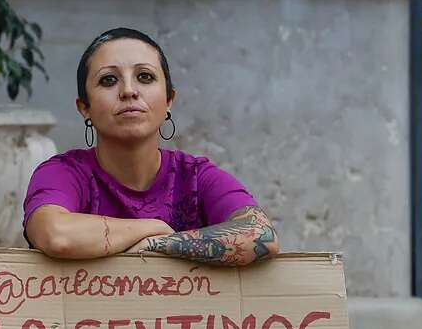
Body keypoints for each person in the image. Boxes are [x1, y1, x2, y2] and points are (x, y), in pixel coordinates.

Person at [24, 27, 279, 265]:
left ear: (169, 99)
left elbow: (261, 234)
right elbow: (55, 234)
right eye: (109, 80)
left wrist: (160, 244)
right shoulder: (63, 173)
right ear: (84, 108)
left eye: (144, 77)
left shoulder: (195, 176)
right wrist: (151, 227)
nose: (128, 91)